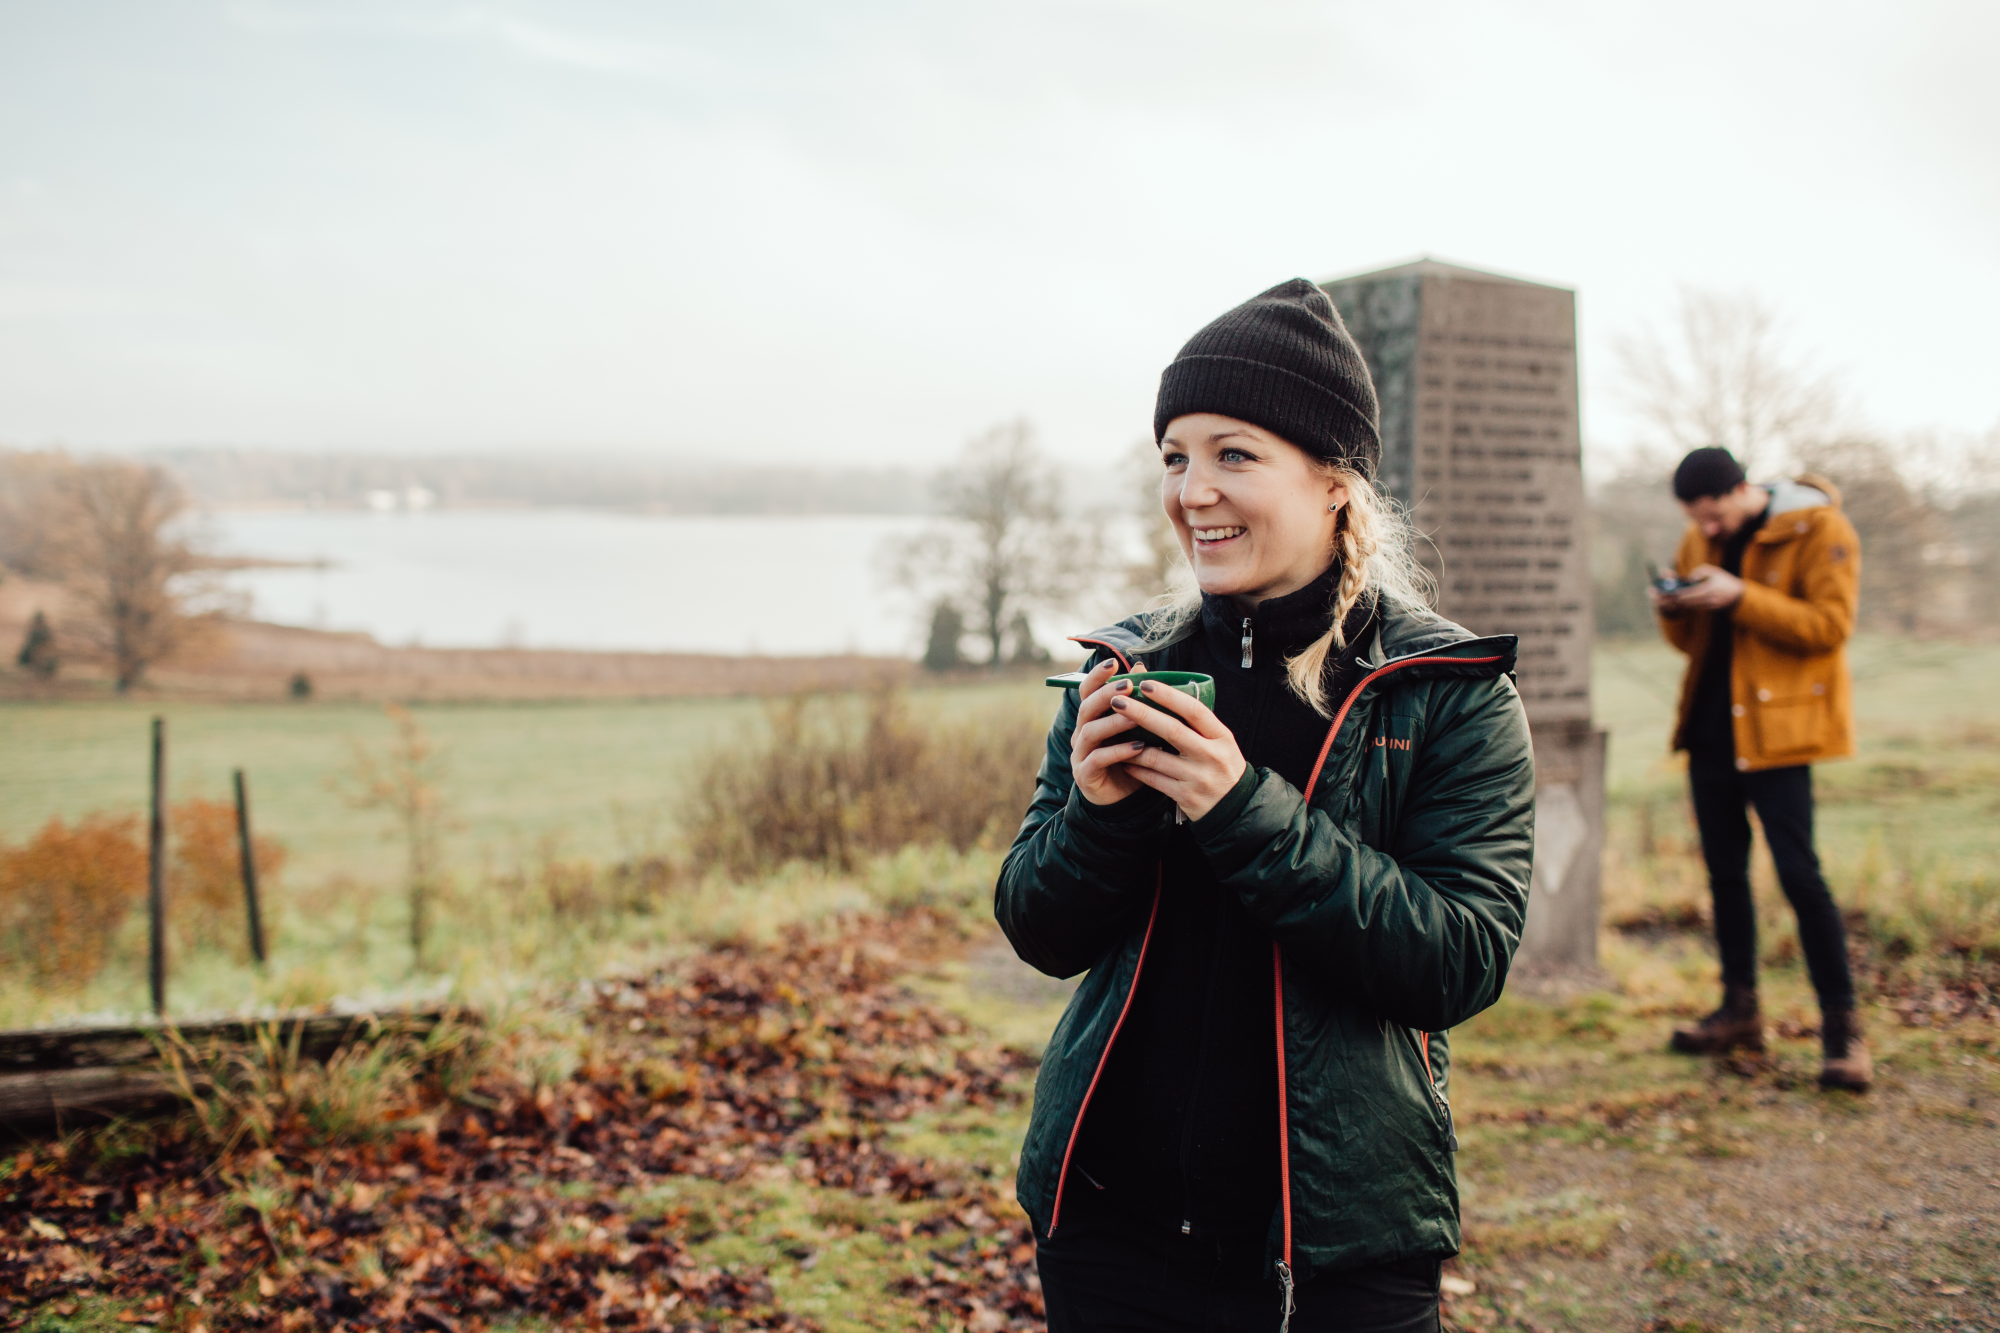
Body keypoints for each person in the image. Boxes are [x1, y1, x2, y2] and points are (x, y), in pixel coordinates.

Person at [995, 280, 1536, 1333]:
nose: (1192, 489)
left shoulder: (1443, 694)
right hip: (1108, 1229)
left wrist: (1241, 808)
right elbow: (1036, 927)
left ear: (1335, 481)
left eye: (1233, 454)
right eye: (1173, 456)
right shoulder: (1125, 666)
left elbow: (1458, 959)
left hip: (1335, 1252)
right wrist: (1098, 816)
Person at [1650, 446, 1869, 1091]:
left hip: (1780, 738)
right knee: (1725, 876)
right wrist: (1675, 607)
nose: (1705, 530)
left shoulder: (1820, 528)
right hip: (1711, 733)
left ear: (1743, 490)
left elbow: (1831, 626)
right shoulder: (1700, 536)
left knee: (1802, 876)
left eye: (1713, 515)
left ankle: (1843, 1031)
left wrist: (1742, 595)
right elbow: (1693, 643)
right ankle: (1739, 1010)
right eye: (1695, 518)